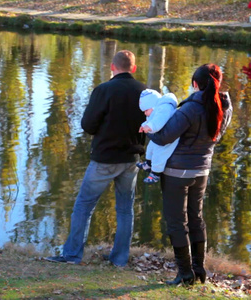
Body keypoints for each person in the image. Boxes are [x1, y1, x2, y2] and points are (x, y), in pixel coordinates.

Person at [45, 50, 146, 267]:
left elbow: (88, 125)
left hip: (104, 159)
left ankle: (72, 255)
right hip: (131, 159)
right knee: (125, 209)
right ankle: (119, 259)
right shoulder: (145, 92)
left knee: (84, 205)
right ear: (134, 68)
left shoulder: (104, 90)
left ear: (112, 67)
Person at [147, 63, 232, 286]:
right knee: (196, 219)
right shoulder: (224, 107)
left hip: (176, 173)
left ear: (196, 84)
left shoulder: (190, 109)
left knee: (177, 222)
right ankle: (199, 270)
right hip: (202, 170)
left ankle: (185, 274)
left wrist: (149, 130)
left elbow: (164, 136)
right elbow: (216, 137)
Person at [136, 89, 179, 184]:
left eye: (146, 110)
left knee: (160, 153)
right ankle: (149, 163)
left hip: (169, 139)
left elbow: (159, 121)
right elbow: (152, 120)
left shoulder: (164, 108)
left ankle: (156, 173)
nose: (145, 113)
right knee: (151, 147)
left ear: (153, 106)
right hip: (161, 135)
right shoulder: (156, 110)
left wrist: (150, 127)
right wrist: (144, 126)